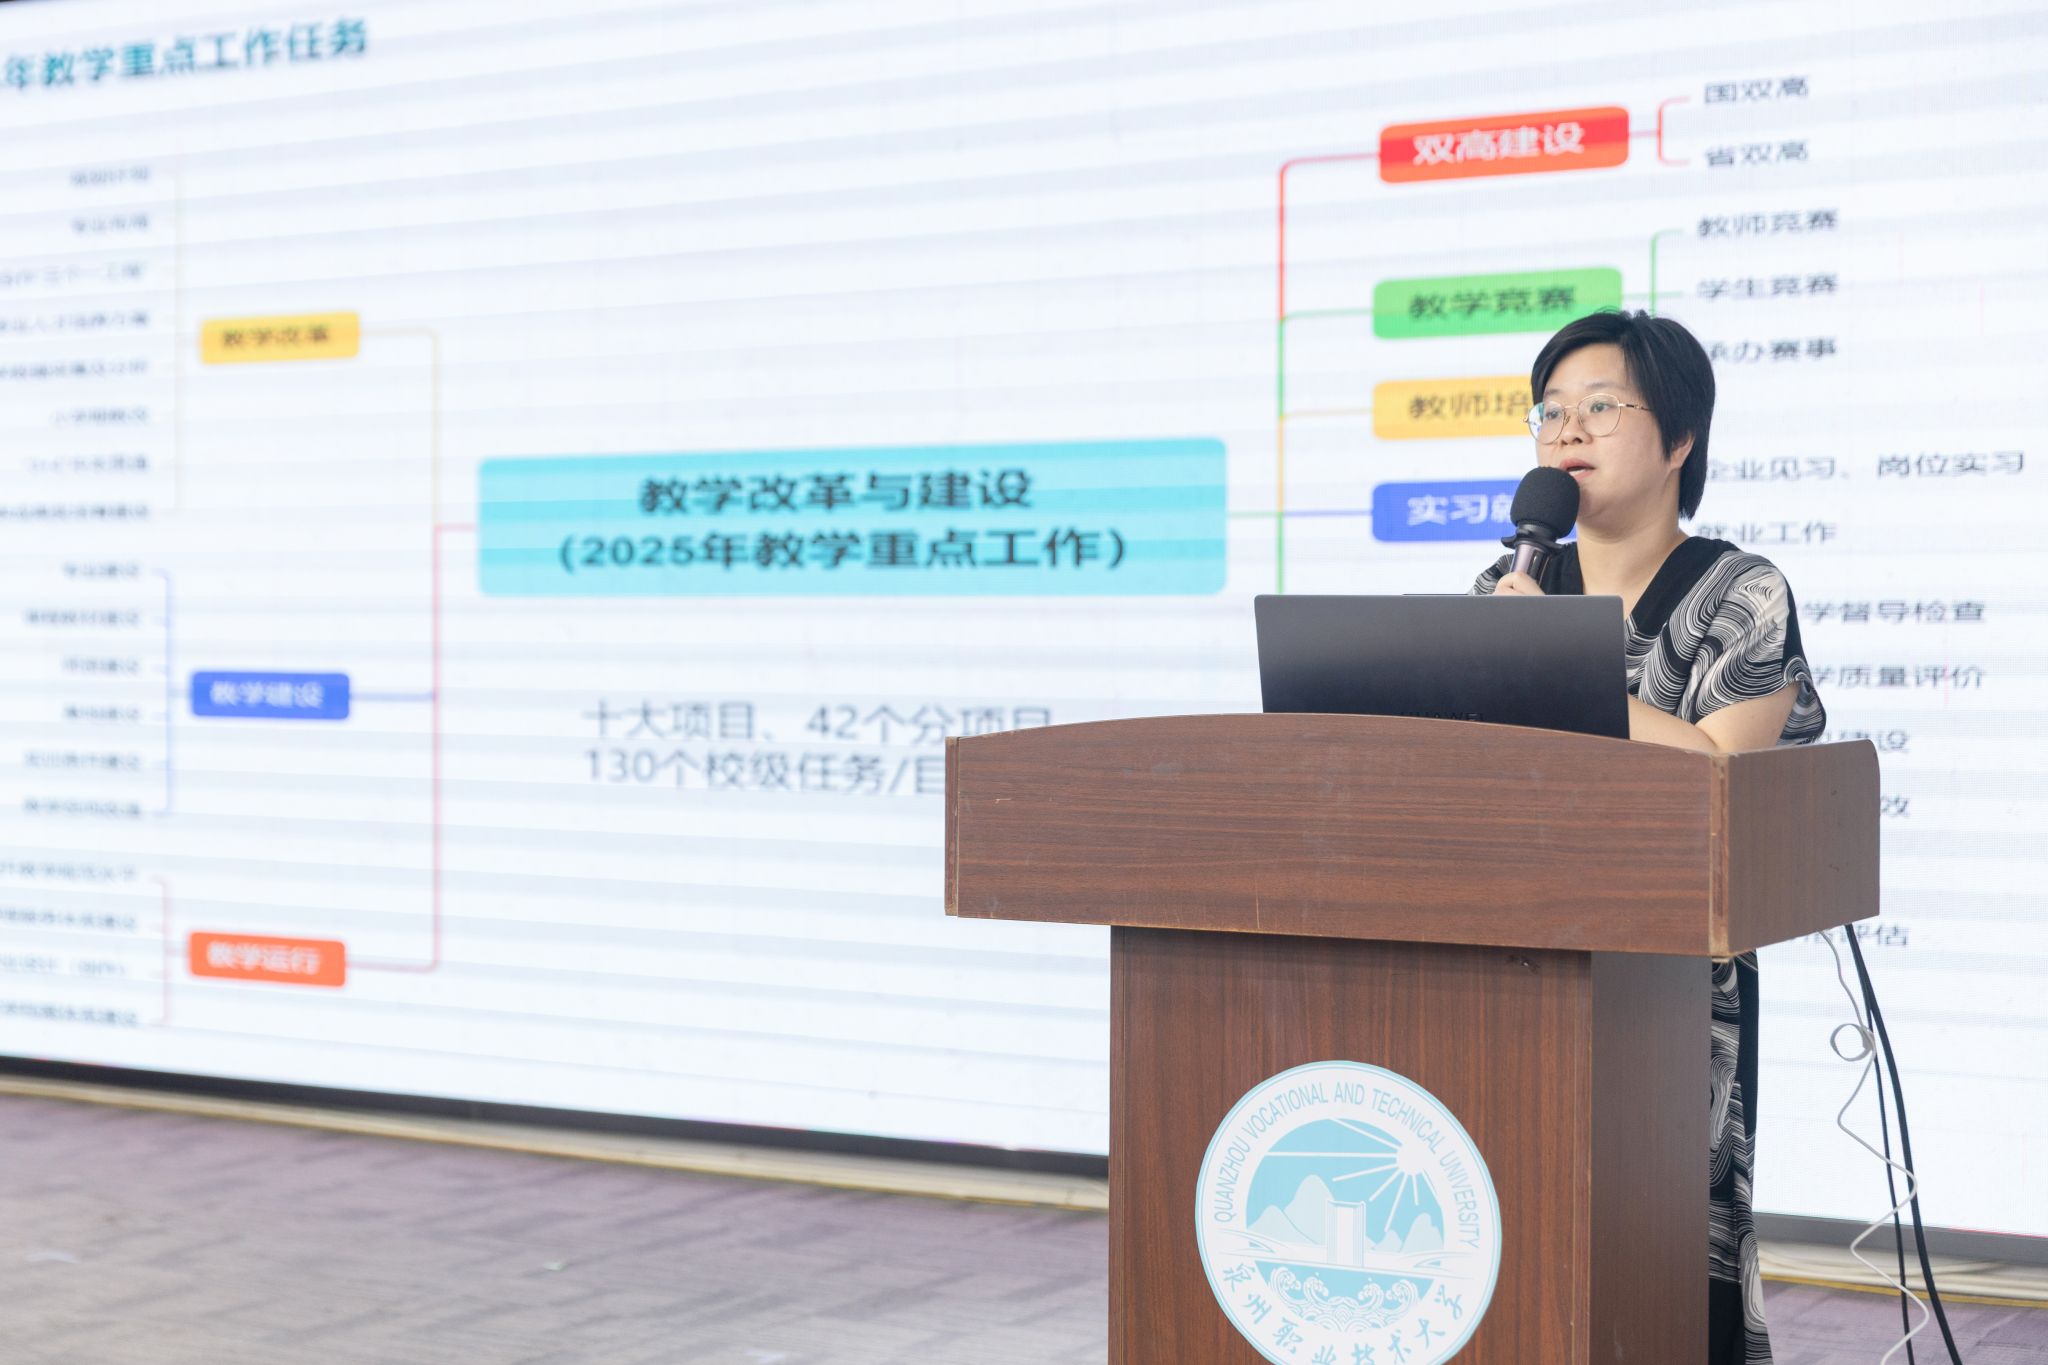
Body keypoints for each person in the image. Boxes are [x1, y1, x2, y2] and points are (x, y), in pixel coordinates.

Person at [1470, 309, 1824, 1365]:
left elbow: (1715, 769)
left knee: (1659, 1259)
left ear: (1679, 439)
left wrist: (1553, 664)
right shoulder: (1508, 589)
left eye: (1599, 407)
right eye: (1549, 413)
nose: (1566, 432)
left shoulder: (1741, 593)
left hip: (1672, 988)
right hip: (1506, 962)